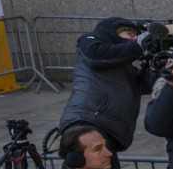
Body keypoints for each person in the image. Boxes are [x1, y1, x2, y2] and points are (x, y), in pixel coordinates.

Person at [59, 16, 151, 152]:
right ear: (112, 32)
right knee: (83, 168)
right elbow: (96, 56)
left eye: (136, 36)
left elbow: (145, 85)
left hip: (111, 128)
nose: (133, 39)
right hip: (87, 123)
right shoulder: (89, 42)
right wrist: (138, 45)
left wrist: (159, 61)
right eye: (130, 34)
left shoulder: (123, 65)